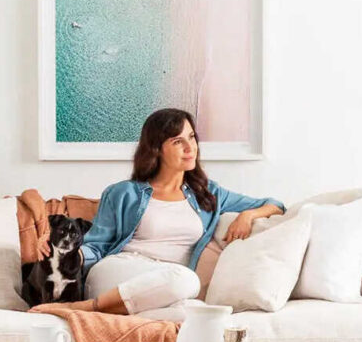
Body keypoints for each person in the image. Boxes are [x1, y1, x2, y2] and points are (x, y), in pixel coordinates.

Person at [51, 108, 285, 320]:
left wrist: (247, 216)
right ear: (157, 149)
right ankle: (86, 307)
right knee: (188, 282)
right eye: (177, 141)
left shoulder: (209, 194)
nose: (190, 147)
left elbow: (275, 204)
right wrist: (63, 254)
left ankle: (111, 314)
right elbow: (97, 246)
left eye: (192, 137)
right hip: (119, 273)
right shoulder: (123, 193)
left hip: (166, 289)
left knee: (194, 314)